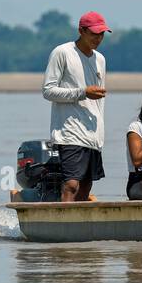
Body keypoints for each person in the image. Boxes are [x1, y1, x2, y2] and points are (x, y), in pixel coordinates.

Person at [42, 11, 110, 202]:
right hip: (69, 131)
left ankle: (78, 227)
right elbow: (48, 91)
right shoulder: (62, 52)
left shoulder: (100, 59)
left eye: (102, 34)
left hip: (93, 134)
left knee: (86, 186)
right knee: (71, 184)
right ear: (81, 30)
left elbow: (99, 100)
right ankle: (63, 226)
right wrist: (82, 92)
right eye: (94, 33)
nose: (98, 38)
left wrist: (100, 134)